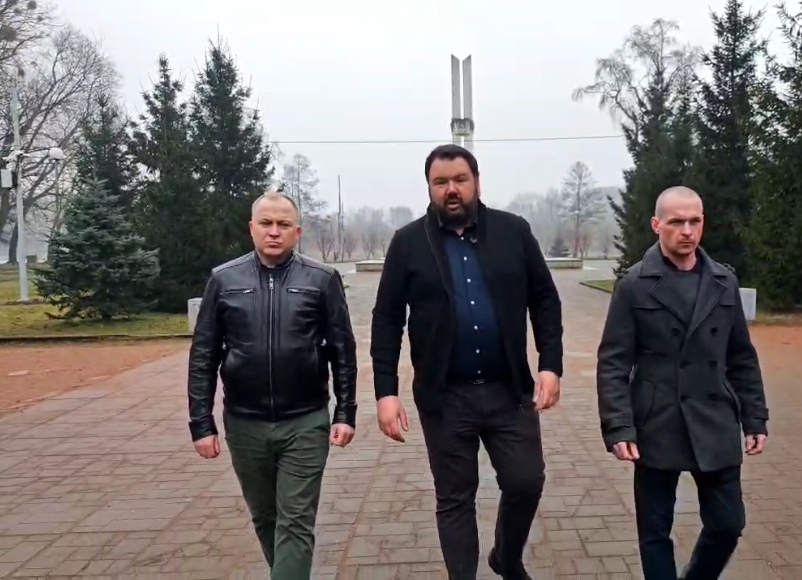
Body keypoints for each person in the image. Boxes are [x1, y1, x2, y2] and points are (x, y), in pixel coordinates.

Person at [370, 144, 563, 580]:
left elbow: (545, 300)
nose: (451, 189)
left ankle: (506, 558)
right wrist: (386, 393)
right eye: (440, 182)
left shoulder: (514, 232)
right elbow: (386, 320)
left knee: (525, 481)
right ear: (429, 188)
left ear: (476, 181)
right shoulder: (408, 243)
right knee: (455, 497)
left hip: (508, 389)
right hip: (445, 396)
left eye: (460, 179)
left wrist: (551, 364)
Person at [595, 186, 769, 580]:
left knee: (728, 524)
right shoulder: (635, 284)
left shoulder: (724, 280)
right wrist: (618, 425)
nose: (687, 231)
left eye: (695, 221)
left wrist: (755, 417)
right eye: (677, 222)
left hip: (715, 417)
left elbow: (741, 356)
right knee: (655, 533)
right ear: (657, 225)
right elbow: (613, 362)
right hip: (657, 420)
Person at [187, 190, 358, 580]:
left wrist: (345, 412)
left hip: (305, 421)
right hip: (245, 423)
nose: (274, 231)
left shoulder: (322, 279)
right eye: (266, 223)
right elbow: (204, 355)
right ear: (252, 228)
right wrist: (201, 421)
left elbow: (342, 350)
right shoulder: (224, 280)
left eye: (283, 224)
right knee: (266, 517)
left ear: (297, 231)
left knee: (295, 520)